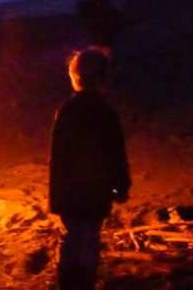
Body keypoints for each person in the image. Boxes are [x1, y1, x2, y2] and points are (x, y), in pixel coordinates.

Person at [50, 48, 131, 290]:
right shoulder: (106, 113)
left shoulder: (66, 111)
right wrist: (120, 188)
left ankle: (67, 283)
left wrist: (57, 198)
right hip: (97, 192)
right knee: (89, 238)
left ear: (74, 78)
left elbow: (58, 159)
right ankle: (83, 282)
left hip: (70, 193)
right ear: (103, 80)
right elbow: (116, 155)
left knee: (73, 237)